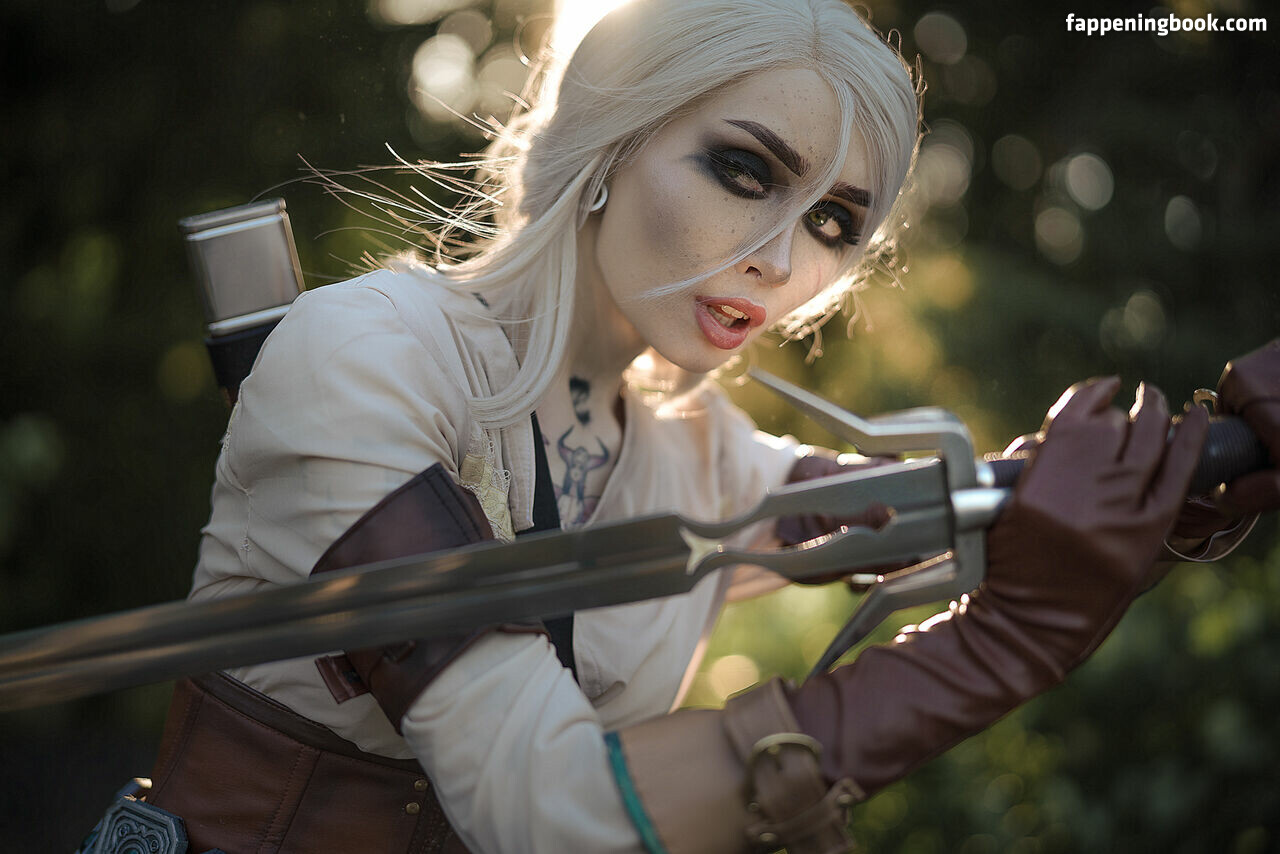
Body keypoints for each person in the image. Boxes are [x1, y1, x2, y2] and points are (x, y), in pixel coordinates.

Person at [140, 1, 1280, 852]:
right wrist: (1004, 642)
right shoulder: (366, 357)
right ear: (612, 133)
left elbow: (935, 511)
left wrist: (1164, 492)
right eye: (745, 170)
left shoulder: (700, 450)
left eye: (833, 221)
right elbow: (551, 812)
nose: (781, 261)